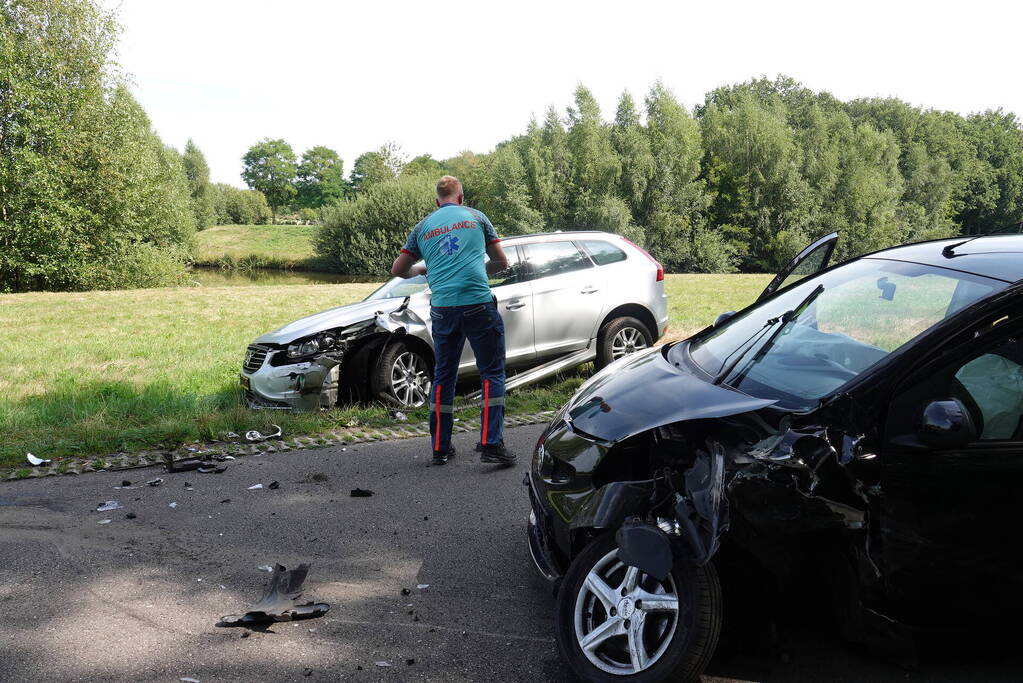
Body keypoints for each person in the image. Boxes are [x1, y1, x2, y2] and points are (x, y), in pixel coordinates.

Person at [390, 175, 515, 466]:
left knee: (444, 376)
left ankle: (440, 448)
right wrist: (481, 271)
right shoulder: (477, 218)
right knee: (491, 374)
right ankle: (491, 444)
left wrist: (422, 270)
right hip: (477, 304)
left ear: (437, 202)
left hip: (443, 309)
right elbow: (501, 262)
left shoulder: (422, 227)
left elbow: (398, 270)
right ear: (461, 198)